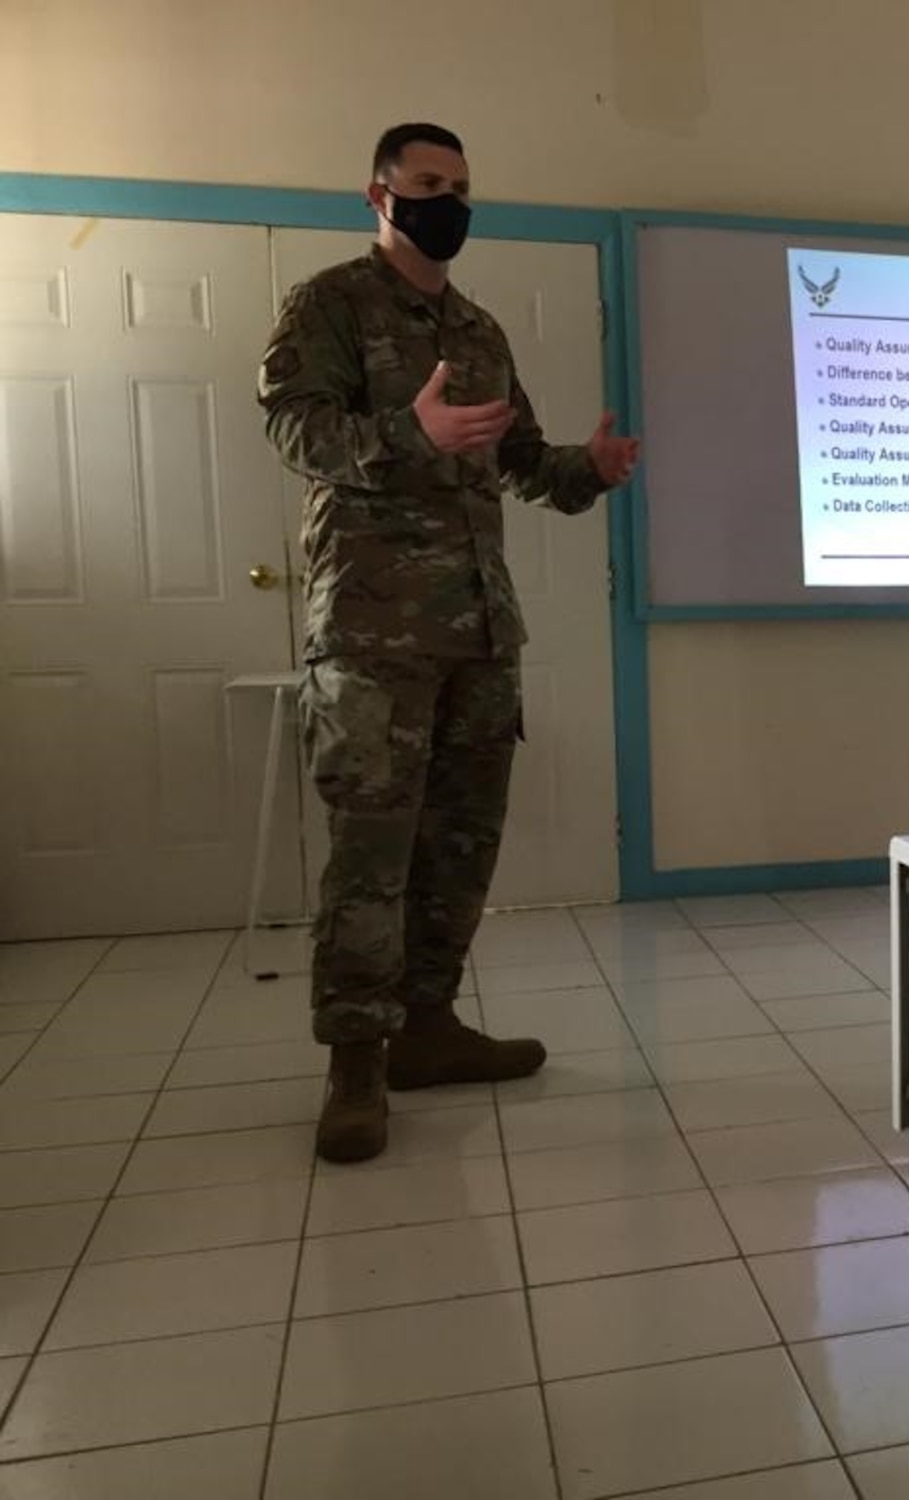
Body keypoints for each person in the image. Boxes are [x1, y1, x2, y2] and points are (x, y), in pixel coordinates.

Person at [258, 123, 639, 1165]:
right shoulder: (330, 303)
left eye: (462, 186)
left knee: (459, 847)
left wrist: (589, 469)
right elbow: (293, 427)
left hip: (479, 633)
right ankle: (355, 1064)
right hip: (372, 633)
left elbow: (519, 462)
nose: (449, 202)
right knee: (370, 858)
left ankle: (427, 1027)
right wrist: (404, 436)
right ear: (378, 194)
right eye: (428, 184)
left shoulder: (475, 328)